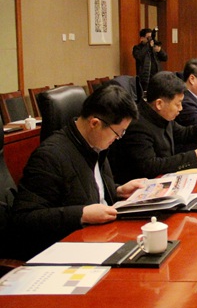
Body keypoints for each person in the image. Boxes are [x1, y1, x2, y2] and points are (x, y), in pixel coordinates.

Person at [11, 85, 147, 259]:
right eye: (117, 133)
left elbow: (87, 190)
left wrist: (118, 190)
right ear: (95, 123)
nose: (117, 139)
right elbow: (24, 219)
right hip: (69, 250)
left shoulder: (96, 145)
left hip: (103, 237)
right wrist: (82, 214)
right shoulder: (50, 156)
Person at [109, 71, 197, 184]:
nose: (181, 108)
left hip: (164, 179)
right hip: (142, 187)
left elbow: (184, 133)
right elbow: (150, 166)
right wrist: (192, 157)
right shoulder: (138, 124)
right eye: (177, 104)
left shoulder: (161, 115)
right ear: (159, 104)